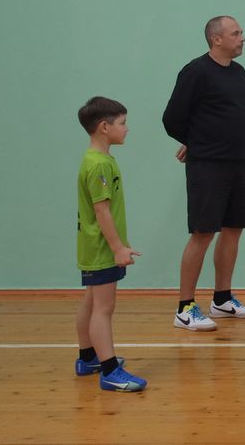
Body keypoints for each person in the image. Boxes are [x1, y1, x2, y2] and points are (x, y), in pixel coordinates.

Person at [163, 15, 245, 331]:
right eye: (236, 33)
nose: (242, 37)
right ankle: (185, 308)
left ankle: (222, 299)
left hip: (238, 162)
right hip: (207, 165)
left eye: (241, 32)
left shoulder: (239, 72)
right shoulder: (196, 72)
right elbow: (172, 118)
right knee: (203, 232)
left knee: (234, 228)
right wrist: (196, 143)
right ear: (216, 39)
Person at [74, 96, 146, 392]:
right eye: (122, 123)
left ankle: (88, 357)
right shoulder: (99, 165)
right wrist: (118, 247)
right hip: (102, 248)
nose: (127, 129)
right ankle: (109, 370)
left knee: (92, 302)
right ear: (104, 127)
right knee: (104, 308)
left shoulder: (95, 159)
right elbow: (101, 211)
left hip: (92, 246)